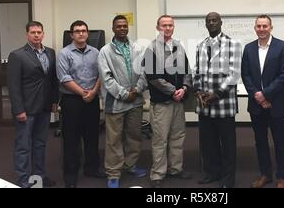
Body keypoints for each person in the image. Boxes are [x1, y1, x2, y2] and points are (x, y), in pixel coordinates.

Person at [241, 15, 284, 188]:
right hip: (256, 104)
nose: (262, 29)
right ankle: (265, 174)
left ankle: (282, 177)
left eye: (265, 26)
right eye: (259, 26)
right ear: (255, 28)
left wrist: (266, 95)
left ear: (271, 27)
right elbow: (245, 75)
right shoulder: (248, 48)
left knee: (280, 141)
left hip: (277, 103)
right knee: (260, 141)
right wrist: (257, 95)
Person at [143, 15, 193, 188]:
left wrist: (185, 88)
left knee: (178, 137)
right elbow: (153, 77)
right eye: (164, 25)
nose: (167, 28)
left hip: (178, 102)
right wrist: (173, 91)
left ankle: (175, 169)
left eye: (170, 25)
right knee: (160, 140)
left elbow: (187, 70)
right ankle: (157, 174)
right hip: (162, 104)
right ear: (158, 27)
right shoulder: (151, 49)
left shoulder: (178, 46)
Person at [98, 15, 147, 189]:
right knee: (114, 140)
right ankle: (113, 173)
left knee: (134, 136)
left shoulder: (138, 48)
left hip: (135, 101)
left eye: (124, 26)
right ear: (113, 28)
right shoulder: (105, 51)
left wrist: (137, 90)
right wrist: (125, 94)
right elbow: (106, 78)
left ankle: (131, 165)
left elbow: (144, 72)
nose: (122, 28)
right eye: (118, 26)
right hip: (116, 102)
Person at [7, 21, 59, 188]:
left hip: (44, 107)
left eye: (39, 32)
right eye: (33, 32)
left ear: (43, 34)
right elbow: (13, 86)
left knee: (40, 144)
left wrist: (54, 101)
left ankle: (39, 177)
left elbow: (52, 80)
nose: (36, 35)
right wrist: (18, 109)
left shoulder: (50, 53)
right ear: (27, 34)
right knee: (23, 147)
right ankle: (23, 181)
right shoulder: (17, 55)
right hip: (26, 109)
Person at [194, 12, 242, 188]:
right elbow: (197, 71)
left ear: (221, 23)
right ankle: (211, 173)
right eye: (208, 21)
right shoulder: (201, 46)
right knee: (208, 142)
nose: (212, 23)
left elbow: (234, 74)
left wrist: (217, 94)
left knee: (228, 144)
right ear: (206, 25)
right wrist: (198, 91)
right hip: (204, 104)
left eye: (215, 20)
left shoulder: (233, 44)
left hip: (223, 103)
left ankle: (228, 179)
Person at [56, 20, 104, 188]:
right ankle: (70, 175)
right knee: (71, 139)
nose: (81, 33)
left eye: (84, 30)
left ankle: (91, 168)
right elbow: (64, 78)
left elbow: (101, 74)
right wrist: (83, 93)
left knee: (92, 136)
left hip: (92, 100)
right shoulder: (64, 53)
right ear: (72, 35)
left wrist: (93, 92)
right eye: (77, 31)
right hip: (72, 101)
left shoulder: (96, 52)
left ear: (88, 33)